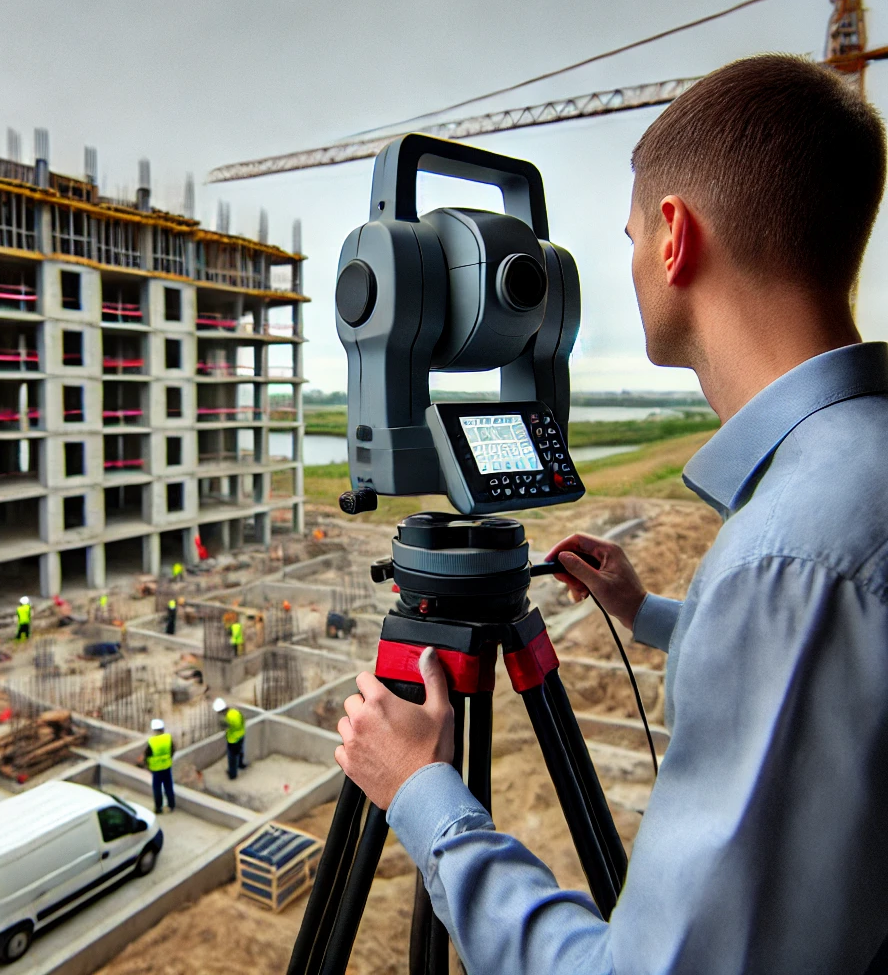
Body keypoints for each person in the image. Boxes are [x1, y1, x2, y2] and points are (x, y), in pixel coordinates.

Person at [333, 55, 888, 975]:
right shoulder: (853, 478)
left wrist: (424, 793)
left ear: (675, 238)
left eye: (629, 237)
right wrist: (652, 615)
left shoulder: (788, 562)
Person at [144, 718, 175, 814]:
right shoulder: (168, 738)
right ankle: (171, 805)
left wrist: (148, 764)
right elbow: (173, 750)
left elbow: (147, 754)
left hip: (156, 769)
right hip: (167, 767)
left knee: (157, 789)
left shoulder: (151, 741)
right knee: (168, 787)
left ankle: (158, 808)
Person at [213, 698, 247, 779]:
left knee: (232, 758)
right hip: (242, 735)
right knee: (240, 752)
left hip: (233, 740)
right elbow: (243, 720)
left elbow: (224, 727)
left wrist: (225, 726)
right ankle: (241, 765)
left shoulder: (226, 718)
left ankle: (232, 774)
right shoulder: (235, 711)